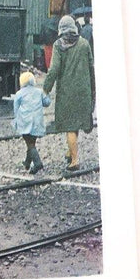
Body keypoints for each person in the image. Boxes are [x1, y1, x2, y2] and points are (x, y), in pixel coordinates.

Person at [43, 14, 95, 171]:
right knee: (76, 122)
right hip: (83, 90)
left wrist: (46, 88)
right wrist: (93, 88)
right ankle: (69, 151)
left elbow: (54, 69)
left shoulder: (59, 45)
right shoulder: (84, 44)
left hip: (67, 91)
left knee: (69, 126)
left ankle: (74, 160)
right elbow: (91, 67)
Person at [12, 70, 51, 174]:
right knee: (32, 142)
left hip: (25, 122)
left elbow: (16, 110)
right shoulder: (39, 92)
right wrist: (47, 94)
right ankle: (27, 163)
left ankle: (37, 163)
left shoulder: (19, 94)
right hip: (37, 122)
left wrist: (16, 121)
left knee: (29, 144)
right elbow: (47, 103)